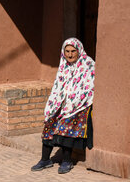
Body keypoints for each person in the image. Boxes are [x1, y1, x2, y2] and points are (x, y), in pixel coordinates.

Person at [31, 37, 95, 174]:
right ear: (63, 52)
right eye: (67, 51)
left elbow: (89, 87)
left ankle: (67, 161)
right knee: (50, 122)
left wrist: (72, 103)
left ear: (79, 51)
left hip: (78, 105)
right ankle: (45, 160)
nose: (70, 54)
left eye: (73, 51)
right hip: (61, 102)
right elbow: (58, 86)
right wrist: (54, 104)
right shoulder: (63, 65)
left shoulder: (88, 64)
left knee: (67, 125)